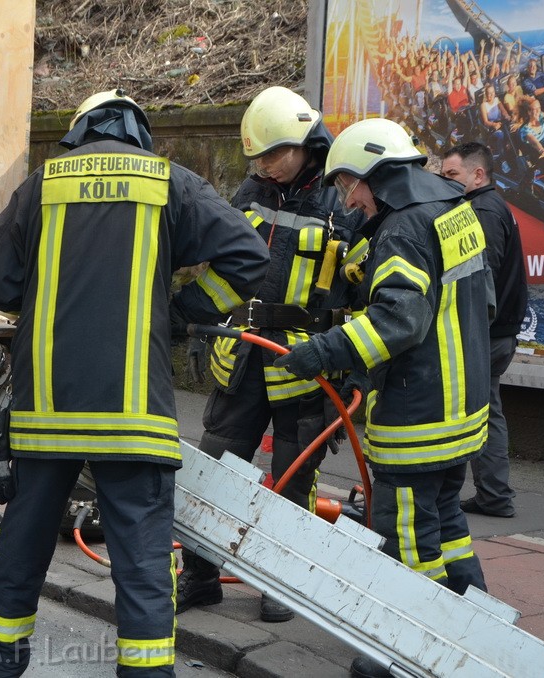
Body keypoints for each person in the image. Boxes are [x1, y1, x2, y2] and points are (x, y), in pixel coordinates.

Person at [0, 89, 270, 678]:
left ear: (80, 130)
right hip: (134, 418)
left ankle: (0, 669)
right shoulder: (170, 183)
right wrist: (182, 309)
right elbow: (249, 256)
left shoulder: (43, 185)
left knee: (22, 551)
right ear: (139, 132)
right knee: (141, 567)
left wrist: (45, 302)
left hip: (46, 417)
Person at [273, 118, 491, 678]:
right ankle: (481, 627)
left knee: (410, 540)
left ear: (378, 175)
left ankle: (414, 655)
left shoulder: (402, 230)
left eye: (351, 184)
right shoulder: (455, 212)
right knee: (447, 526)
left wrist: (323, 352)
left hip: (419, 418)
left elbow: (398, 321)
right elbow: (479, 305)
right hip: (463, 407)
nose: (350, 199)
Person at [176, 86, 366, 622]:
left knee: (294, 477)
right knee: (214, 465)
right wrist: (197, 327)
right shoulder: (253, 190)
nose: (262, 166)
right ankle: (200, 574)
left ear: (305, 143)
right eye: (255, 157)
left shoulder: (343, 202)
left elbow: (359, 294)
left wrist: (349, 370)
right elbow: (219, 268)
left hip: (306, 366)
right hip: (241, 359)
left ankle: (282, 583)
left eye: (271, 154)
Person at [441, 142, 529, 518]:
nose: (445, 183)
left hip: (487, 335)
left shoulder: (483, 213)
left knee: (480, 415)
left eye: (452, 176)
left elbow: (482, 279)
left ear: (478, 175)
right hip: (496, 334)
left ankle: (492, 495)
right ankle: (492, 493)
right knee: (486, 412)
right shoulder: (490, 207)